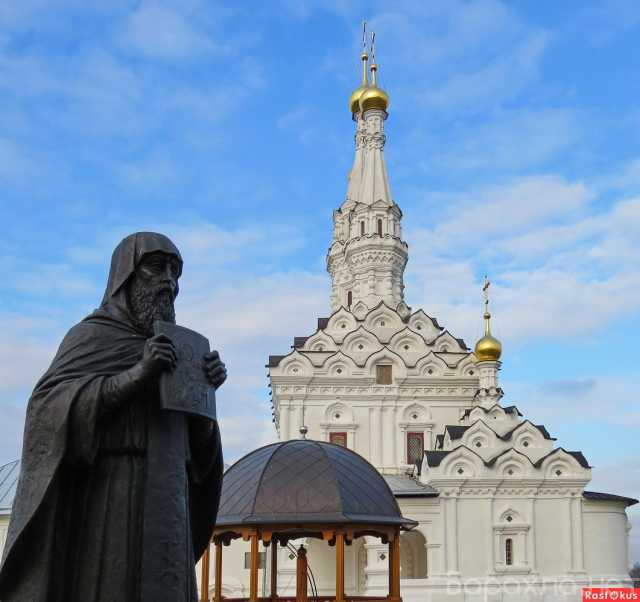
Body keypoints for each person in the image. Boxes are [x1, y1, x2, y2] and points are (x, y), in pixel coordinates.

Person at [0, 232, 226, 602]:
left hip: (169, 503)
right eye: (156, 268)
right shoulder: (91, 337)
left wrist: (204, 397)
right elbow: (45, 411)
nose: (169, 282)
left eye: (176, 271)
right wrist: (137, 375)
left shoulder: (183, 350)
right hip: (110, 498)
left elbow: (200, 458)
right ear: (126, 276)